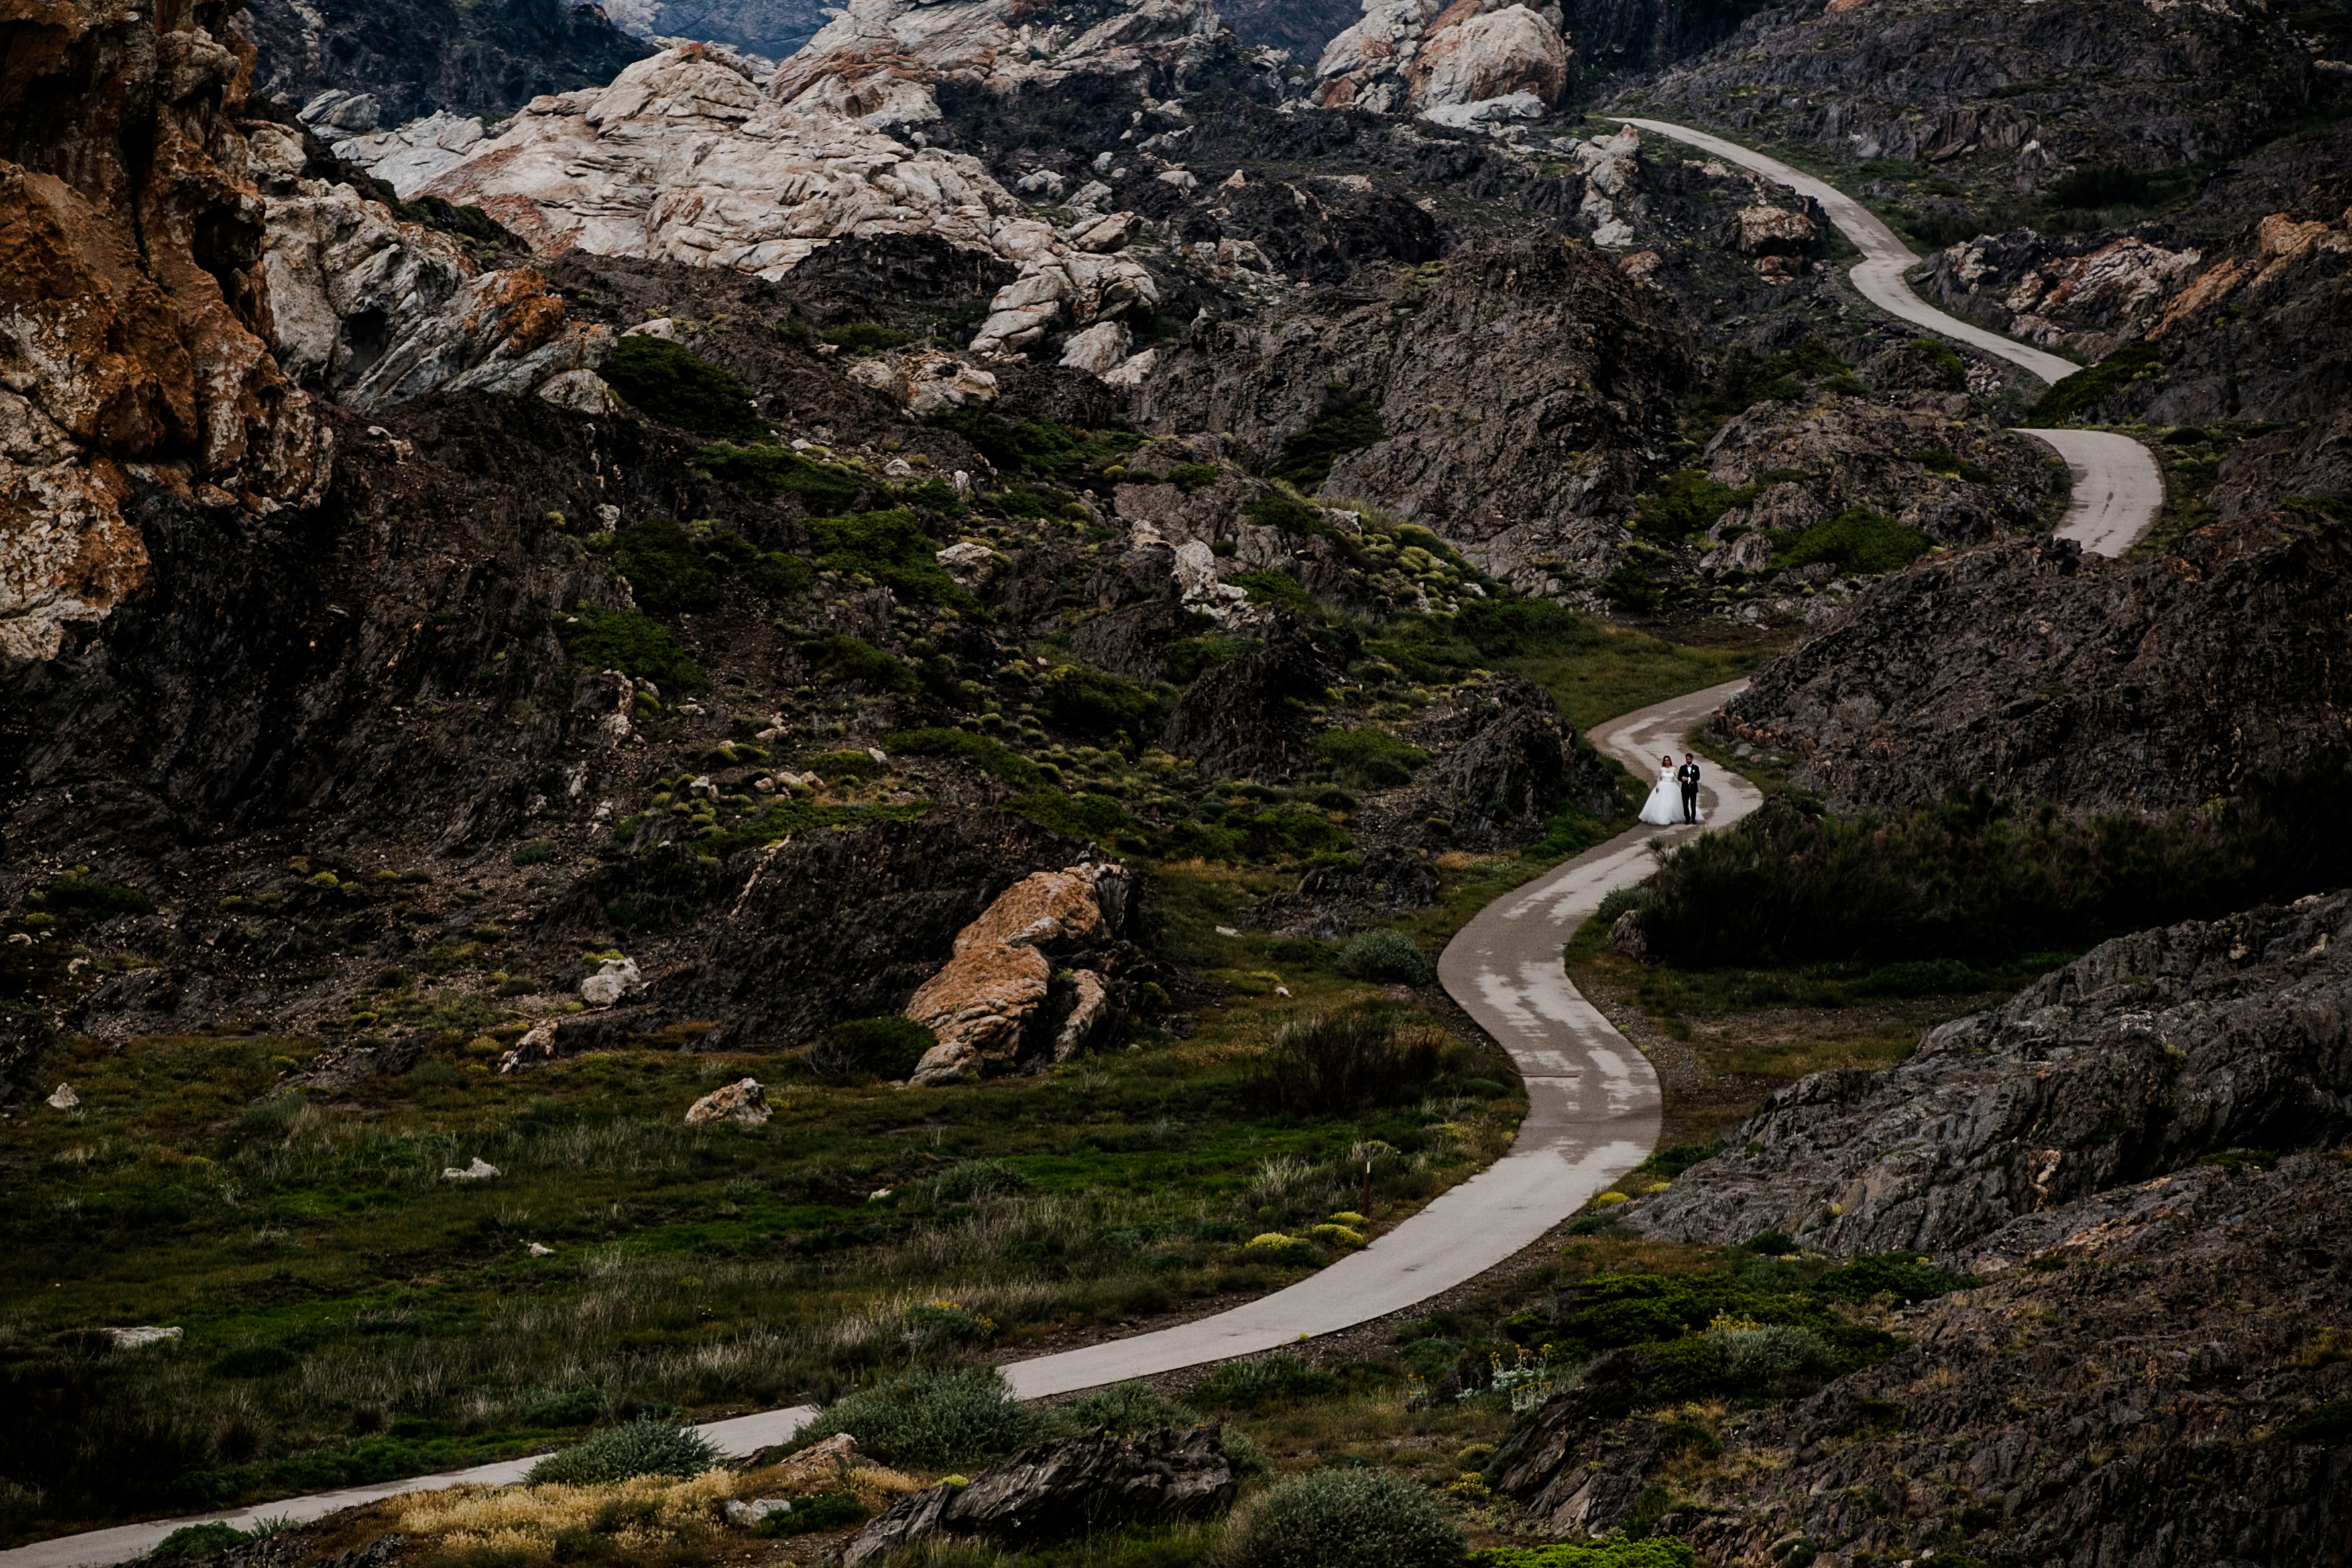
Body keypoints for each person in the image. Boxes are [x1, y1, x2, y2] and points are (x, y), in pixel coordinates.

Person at [1638, 754, 1684, 826]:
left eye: (1668, 760)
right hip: (1663, 786)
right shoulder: (1662, 769)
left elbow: (1678, 777)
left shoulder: (1674, 769)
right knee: (1662, 802)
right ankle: (1661, 817)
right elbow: (1659, 778)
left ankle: (1671, 816)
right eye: (1665, 761)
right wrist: (1657, 786)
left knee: (1672, 802)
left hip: (1672, 786)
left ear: (1670, 761)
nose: (1666, 762)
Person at [1676, 753, 1703, 825]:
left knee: (1693, 803)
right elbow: (1679, 777)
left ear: (1692, 759)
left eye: (1689, 759)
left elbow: (1698, 777)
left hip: (1693, 788)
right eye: (1687, 759)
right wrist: (1682, 778)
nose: (1688, 760)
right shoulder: (1682, 768)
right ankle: (1687, 818)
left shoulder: (1696, 768)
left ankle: (1693, 818)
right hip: (1685, 788)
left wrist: (1691, 779)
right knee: (1685, 804)